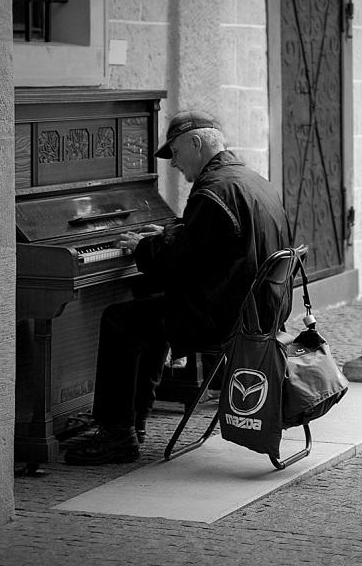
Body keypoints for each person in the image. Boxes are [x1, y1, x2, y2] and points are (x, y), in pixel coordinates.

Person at [65, 110, 291, 465]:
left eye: (176, 153)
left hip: (223, 317)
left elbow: (179, 263)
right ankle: (131, 425)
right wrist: (168, 235)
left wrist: (142, 247)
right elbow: (211, 241)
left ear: (196, 144)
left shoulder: (212, 192)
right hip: (258, 309)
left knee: (120, 320)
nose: (174, 165)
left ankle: (117, 434)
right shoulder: (249, 179)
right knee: (148, 312)